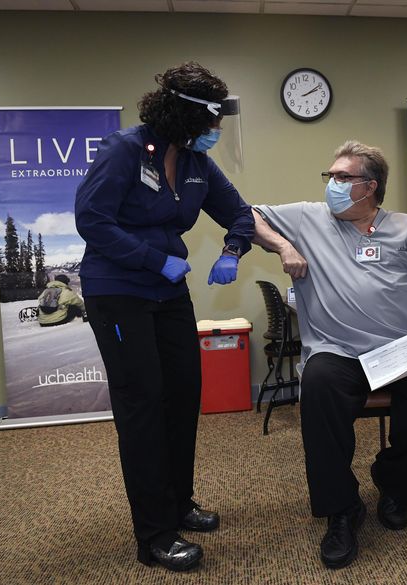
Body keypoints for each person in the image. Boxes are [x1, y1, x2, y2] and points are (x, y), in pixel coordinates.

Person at [74, 62, 254, 572]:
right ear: (184, 115)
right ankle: (154, 535)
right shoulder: (125, 151)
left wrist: (233, 251)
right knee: (144, 404)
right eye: (212, 120)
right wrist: (154, 259)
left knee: (181, 396)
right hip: (119, 293)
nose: (217, 132)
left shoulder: (196, 161)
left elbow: (239, 211)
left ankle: (179, 503)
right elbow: (92, 221)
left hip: (169, 294)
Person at [252, 140, 407, 570]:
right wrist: (282, 247)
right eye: (331, 176)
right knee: (319, 384)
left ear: (371, 187)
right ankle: (342, 509)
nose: (333, 183)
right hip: (338, 352)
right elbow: (246, 214)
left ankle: (395, 483)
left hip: (401, 352)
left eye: (343, 177)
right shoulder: (309, 217)